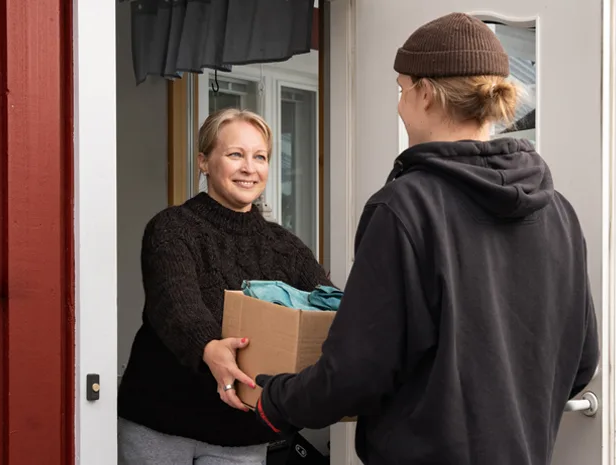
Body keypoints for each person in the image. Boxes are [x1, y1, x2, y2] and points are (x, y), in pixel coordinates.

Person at [255, 12, 600, 465]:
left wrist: (271, 397)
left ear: (425, 94)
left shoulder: (404, 208)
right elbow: (581, 363)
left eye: (401, 90)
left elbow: (354, 374)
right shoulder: (558, 211)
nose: (400, 105)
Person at [117, 108, 332, 465]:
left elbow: (327, 306)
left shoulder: (287, 248)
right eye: (235, 154)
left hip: (241, 432)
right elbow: (176, 304)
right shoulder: (172, 229)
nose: (250, 168)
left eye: (259, 157)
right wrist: (209, 346)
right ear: (204, 161)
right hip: (160, 421)